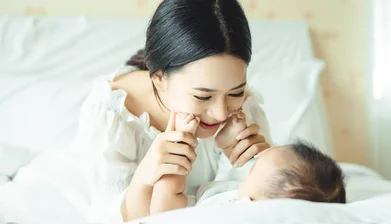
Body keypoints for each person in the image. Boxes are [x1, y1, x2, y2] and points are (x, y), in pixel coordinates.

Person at [70, 0, 272, 222]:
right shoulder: (111, 114)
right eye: (203, 96)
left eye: (235, 93)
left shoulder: (243, 110)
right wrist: (143, 180)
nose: (221, 113)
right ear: (159, 79)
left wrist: (248, 161)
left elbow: (255, 206)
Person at [149, 114, 345, 213]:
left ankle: (180, 145)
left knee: (166, 200)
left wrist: (182, 138)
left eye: (255, 168)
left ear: (251, 204)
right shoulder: (252, 195)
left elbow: (163, 211)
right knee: (232, 178)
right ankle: (227, 147)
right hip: (214, 194)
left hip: (188, 208)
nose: (259, 155)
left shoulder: (232, 212)